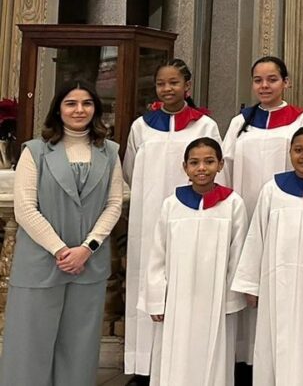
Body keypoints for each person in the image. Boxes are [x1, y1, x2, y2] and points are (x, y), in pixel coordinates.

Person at [0, 81, 125, 386]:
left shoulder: (109, 152)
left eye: (86, 103)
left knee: (79, 347)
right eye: (71, 103)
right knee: (30, 344)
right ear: (58, 108)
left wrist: (86, 248)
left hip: (88, 264)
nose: (79, 110)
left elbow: (113, 205)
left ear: (96, 108)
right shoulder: (36, 151)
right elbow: (26, 209)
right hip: (42, 262)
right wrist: (60, 250)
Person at [123, 59, 222, 380]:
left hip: (191, 217)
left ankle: (185, 365)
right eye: (161, 84)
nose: (167, 89)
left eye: (174, 83)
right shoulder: (141, 126)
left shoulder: (204, 126)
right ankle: (144, 366)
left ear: (187, 87)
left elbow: (216, 171)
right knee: (145, 280)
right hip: (148, 215)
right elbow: (129, 170)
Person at [218, 56, 303, 365]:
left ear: (286, 82)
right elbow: (225, 168)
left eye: (272, 79)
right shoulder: (241, 121)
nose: (264, 86)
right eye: (258, 80)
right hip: (245, 212)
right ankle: (243, 358)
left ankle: (274, 359)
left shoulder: (302, 121)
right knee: (245, 278)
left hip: (286, 214)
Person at [231, 125, 303, 386]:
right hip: (277, 286)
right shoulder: (273, 189)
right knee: (276, 342)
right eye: (298, 150)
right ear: (290, 153)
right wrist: (251, 284)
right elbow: (256, 237)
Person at [140, 137, 248, 386]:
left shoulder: (232, 204)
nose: (202, 168)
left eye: (209, 161)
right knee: (175, 356)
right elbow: (158, 254)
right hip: (178, 299)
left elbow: (238, 253)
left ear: (221, 165)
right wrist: (157, 299)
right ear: (184, 167)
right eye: (194, 162)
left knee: (214, 357)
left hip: (216, 300)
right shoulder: (172, 204)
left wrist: (231, 299)